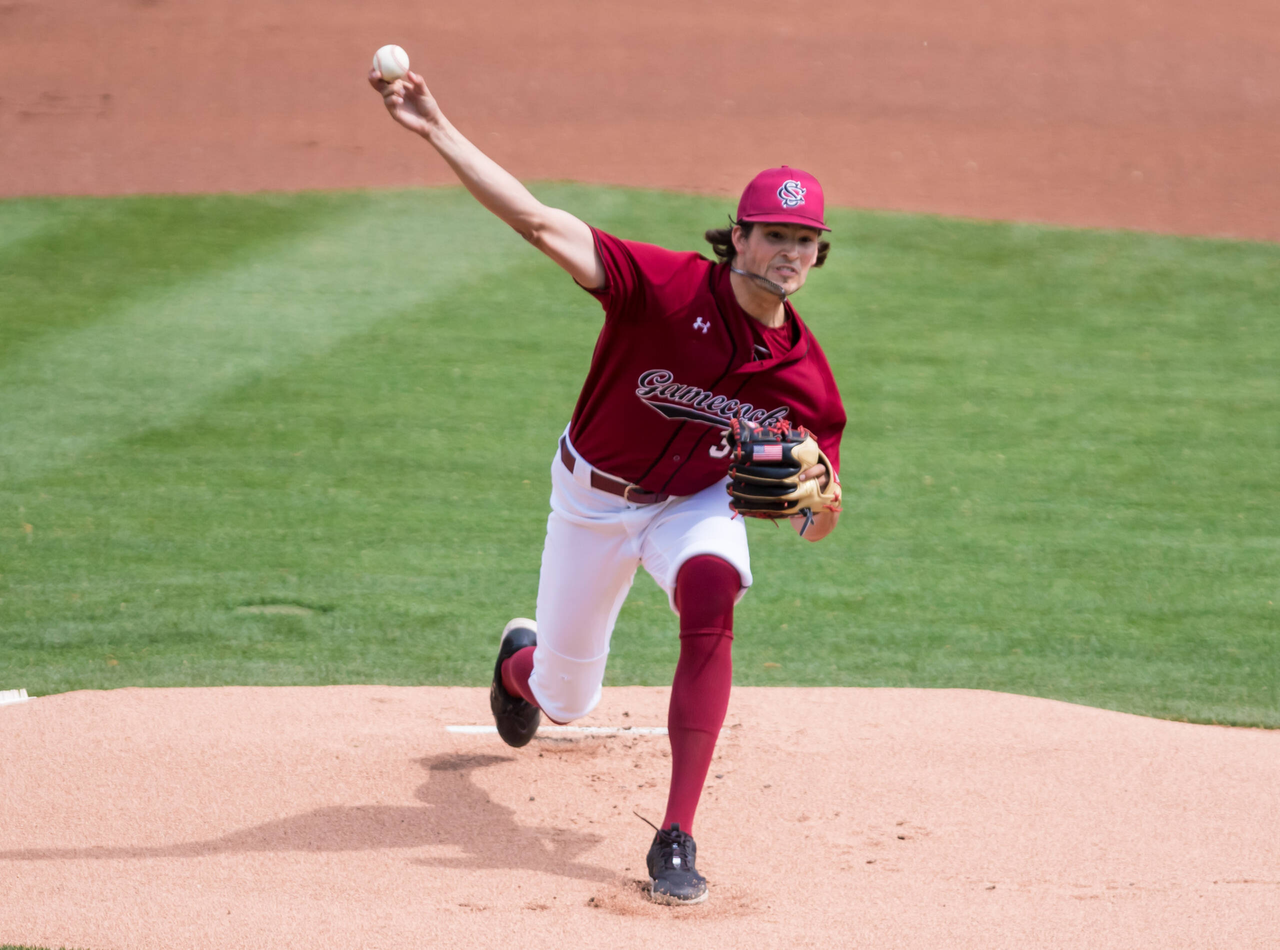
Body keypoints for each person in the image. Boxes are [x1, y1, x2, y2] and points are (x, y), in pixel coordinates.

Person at [370, 67, 846, 905]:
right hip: (592, 500)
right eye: (772, 234)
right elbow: (537, 220)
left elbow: (823, 515)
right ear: (735, 238)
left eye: (804, 239)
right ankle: (518, 665)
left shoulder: (805, 377)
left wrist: (816, 501)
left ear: (819, 253)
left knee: (714, 592)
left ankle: (676, 836)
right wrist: (436, 129)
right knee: (563, 699)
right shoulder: (660, 288)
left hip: (694, 506)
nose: (789, 252)